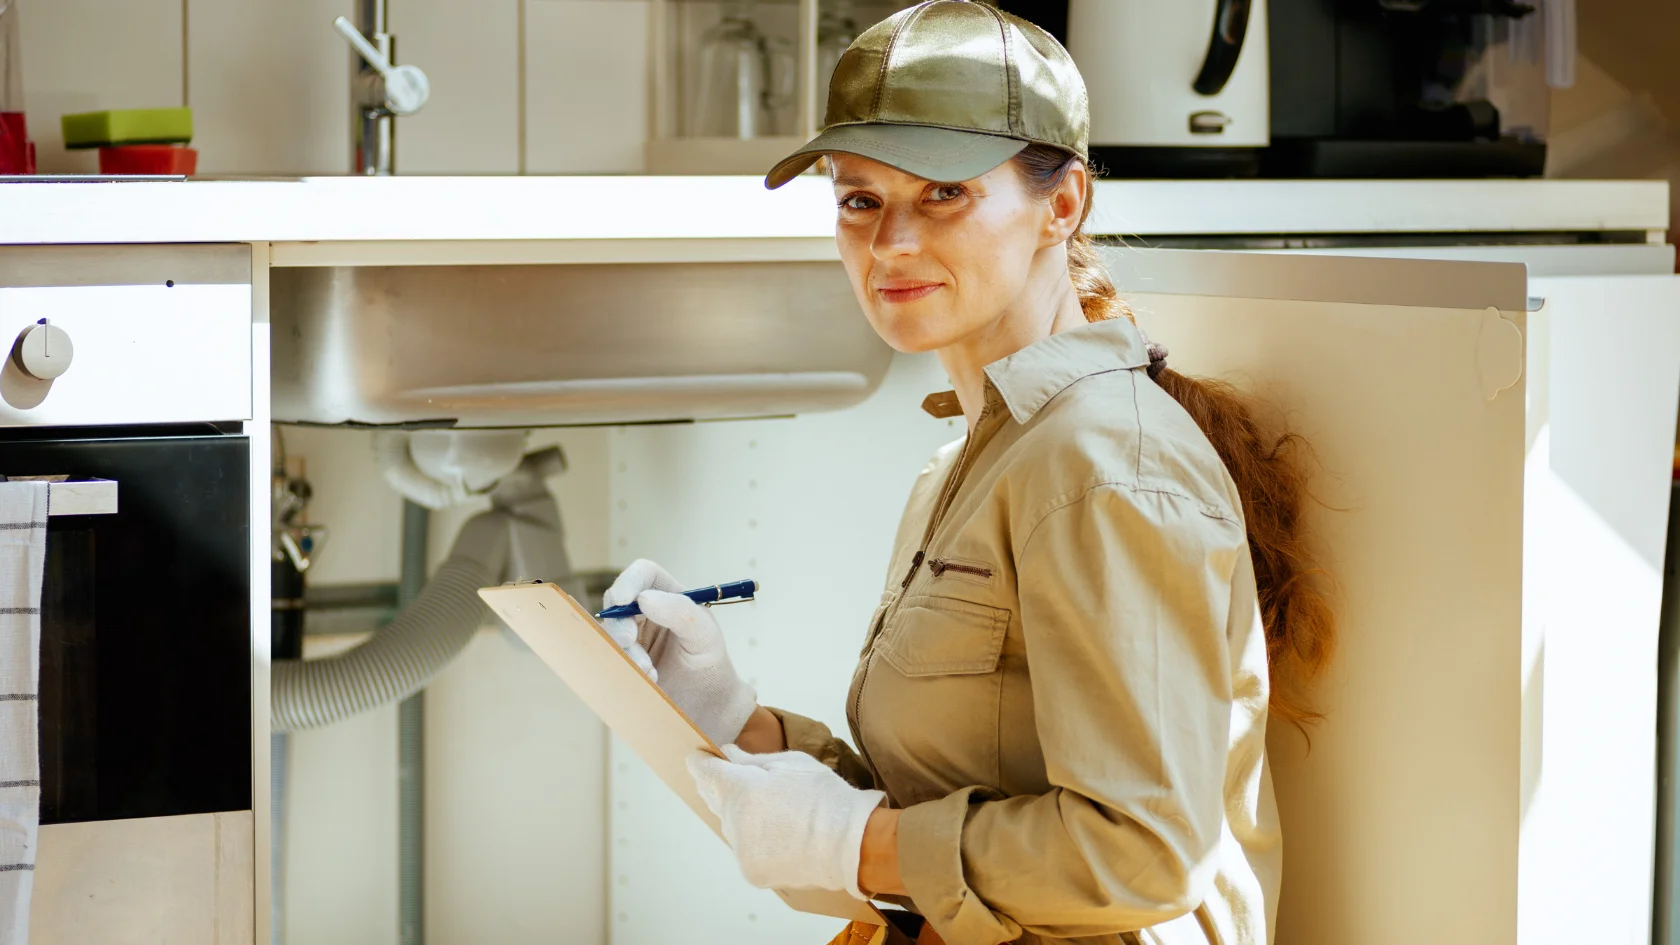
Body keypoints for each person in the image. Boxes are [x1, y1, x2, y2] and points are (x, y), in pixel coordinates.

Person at [601, 3, 1333, 943]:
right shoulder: (975, 459)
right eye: (859, 199)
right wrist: (736, 720)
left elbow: (1144, 853)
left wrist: (852, 842)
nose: (891, 243)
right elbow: (949, 812)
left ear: (1060, 204)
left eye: (942, 192)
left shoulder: (1101, 465)